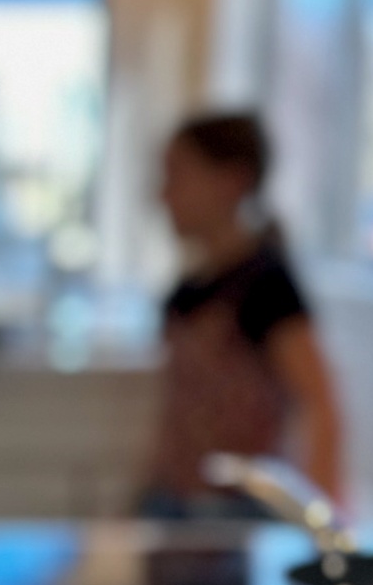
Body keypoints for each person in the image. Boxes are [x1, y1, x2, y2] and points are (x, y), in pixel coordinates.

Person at [140, 109, 345, 511]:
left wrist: (318, 519)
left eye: (177, 176)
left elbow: (322, 406)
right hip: (175, 500)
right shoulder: (189, 286)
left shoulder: (265, 286)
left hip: (237, 514)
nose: (163, 196)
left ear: (232, 181)